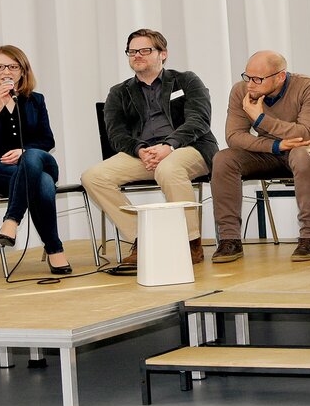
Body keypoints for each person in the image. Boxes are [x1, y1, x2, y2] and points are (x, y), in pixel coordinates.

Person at [81, 29, 217, 265]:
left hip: (188, 148)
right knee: (93, 177)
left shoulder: (186, 80)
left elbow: (199, 120)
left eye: (145, 50)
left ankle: (189, 242)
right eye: (132, 51)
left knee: (169, 168)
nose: (137, 55)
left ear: (162, 54)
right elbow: (116, 134)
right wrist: (140, 150)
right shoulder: (119, 92)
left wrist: (169, 146)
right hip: (144, 154)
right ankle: (143, 239)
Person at [210, 51, 310, 263]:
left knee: (302, 153)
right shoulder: (240, 91)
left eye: (258, 79)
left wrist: (260, 118)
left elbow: (308, 134)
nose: (250, 85)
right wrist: (276, 144)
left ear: (280, 76)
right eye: (247, 77)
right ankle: (229, 240)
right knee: (224, 159)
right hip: (274, 153)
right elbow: (234, 136)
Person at [0, 45, 72, 274]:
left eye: (12, 66)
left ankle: (12, 220)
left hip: (37, 161)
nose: (5, 72)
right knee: (43, 183)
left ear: (23, 71)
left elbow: (47, 139)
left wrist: (24, 151)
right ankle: (54, 249)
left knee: (32, 156)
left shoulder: (35, 100)